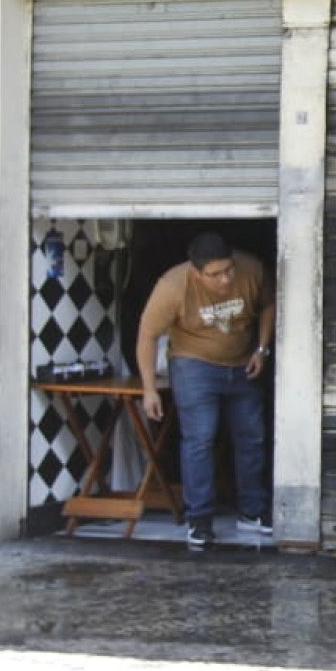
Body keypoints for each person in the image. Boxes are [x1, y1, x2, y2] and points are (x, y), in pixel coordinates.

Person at [137, 231, 276, 550]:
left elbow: (268, 304)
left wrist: (261, 349)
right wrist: (149, 389)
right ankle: (199, 520)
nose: (226, 279)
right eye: (215, 275)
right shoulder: (172, 286)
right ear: (196, 272)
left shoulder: (251, 269)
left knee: (251, 436)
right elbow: (147, 335)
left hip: (243, 364)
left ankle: (252, 512)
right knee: (200, 439)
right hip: (194, 365)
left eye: (228, 270)